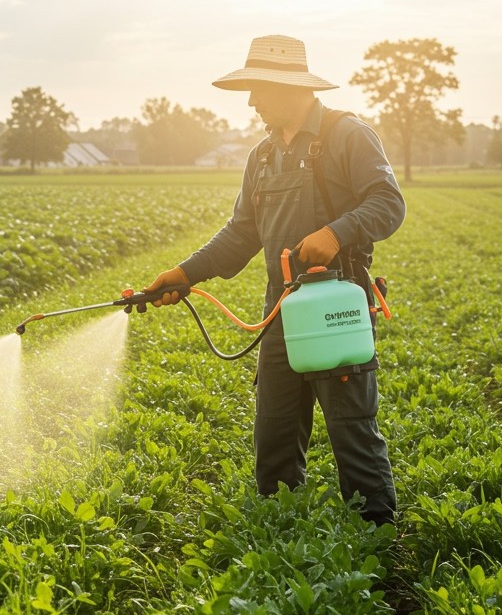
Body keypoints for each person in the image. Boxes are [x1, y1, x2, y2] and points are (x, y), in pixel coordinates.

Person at [145, 34, 403, 525]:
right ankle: (282, 540)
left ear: (287, 87)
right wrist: (182, 275)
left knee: (353, 432)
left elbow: (389, 204)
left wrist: (337, 231)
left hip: (335, 307)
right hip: (281, 310)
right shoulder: (261, 155)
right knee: (275, 437)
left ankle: (378, 548)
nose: (251, 102)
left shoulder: (347, 135)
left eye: (257, 90)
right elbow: (242, 233)